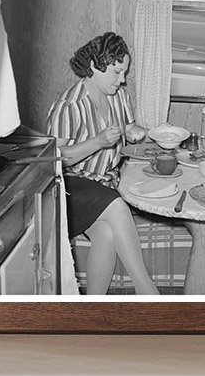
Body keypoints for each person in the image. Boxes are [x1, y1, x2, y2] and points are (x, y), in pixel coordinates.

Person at [46, 31, 159, 296]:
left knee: (106, 235)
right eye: (117, 72)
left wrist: (140, 132)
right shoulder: (69, 105)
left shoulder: (117, 95)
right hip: (68, 187)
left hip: (103, 184)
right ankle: (148, 293)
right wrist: (97, 142)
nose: (122, 80)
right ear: (96, 66)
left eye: (125, 72)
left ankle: (93, 309)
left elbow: (129, 127)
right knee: (117, 205)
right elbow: (54, 160)